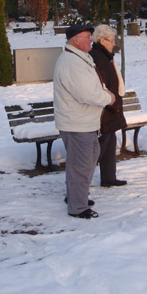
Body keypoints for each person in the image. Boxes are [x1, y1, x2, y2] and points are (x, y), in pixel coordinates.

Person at [53, 24, 115, 219]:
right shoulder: (71, 62)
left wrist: (103, 92)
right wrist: (108, 98)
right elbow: (86, 93)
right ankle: (78, 207)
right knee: (81, 165)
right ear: (75, 40)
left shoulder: (79, 58)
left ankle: (75, 196)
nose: (91, 40)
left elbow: (93, 85)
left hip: (84, 121)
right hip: (77, 123)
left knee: (88, 159)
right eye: (87, 36)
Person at [90, 24, 128, 188]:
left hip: (111, 105)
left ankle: (108, 177)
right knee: (98, 147)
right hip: (104, 107)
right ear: (101, 40)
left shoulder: (105, 56)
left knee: (110, 141)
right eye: (111, 41)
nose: (114, 44)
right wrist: (113, 103)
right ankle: (77, 185)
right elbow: (101, 85)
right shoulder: (97, 57)